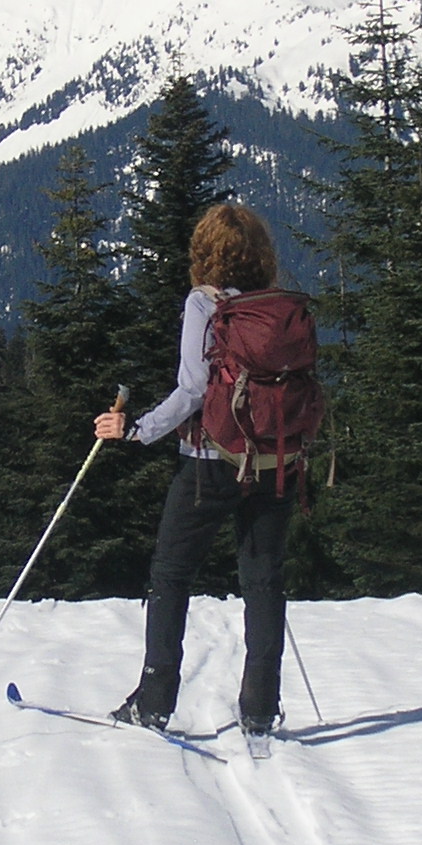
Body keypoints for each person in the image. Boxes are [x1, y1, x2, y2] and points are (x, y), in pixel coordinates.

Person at [93, 201, 298, 741]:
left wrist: (135, 429)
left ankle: (155, 701)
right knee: (263, 580)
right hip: (277, 460)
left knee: (171, 576)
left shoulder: (204, 304)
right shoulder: (279, 307)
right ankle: (260, 706)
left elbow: (191, 390)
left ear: (205, 252)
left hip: (210, 461)